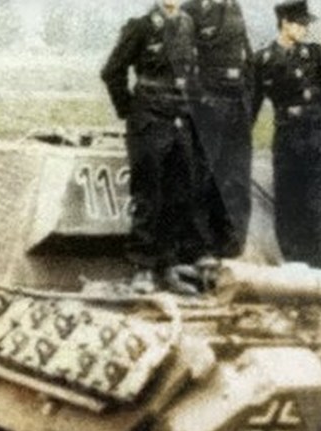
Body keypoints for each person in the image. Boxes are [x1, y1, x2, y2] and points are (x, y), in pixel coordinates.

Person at [101, 0, 207, 293]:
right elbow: (112, 71)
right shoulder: (141, 27)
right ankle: (143, 268)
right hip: (149, 121)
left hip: (180, 119)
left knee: (179, 196)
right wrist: (130, 110)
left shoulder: (189, 25)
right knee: (148, 195)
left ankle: (168, 267)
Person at [251, 0, 321, 269]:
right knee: (290, 208)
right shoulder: (263, 60)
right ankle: (296, 269)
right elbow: (251, 104)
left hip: (316, 139)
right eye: (300, 24)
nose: (305, 29)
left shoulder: (315, 55)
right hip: (287, 141)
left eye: (306, 24)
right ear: (285, 23)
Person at [182, 0, 253, 260]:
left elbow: (247, 58)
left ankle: (231, 246)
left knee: (236, 174)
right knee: (202, 176)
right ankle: (199, 249)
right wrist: (201, 99)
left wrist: (247, 100)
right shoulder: (191, 10)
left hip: (236, 103)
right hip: (208, 102)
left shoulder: (234, 8)